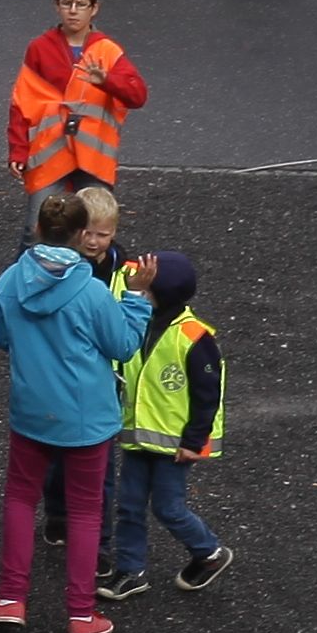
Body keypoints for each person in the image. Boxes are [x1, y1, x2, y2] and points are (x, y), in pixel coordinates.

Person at [0, 188, 151, 633]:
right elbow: (124, 346)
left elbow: (1, 336)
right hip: (88, 417)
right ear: (77, 234)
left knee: (20, 498)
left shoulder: (11, 278)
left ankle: (11, 598)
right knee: (86, 512)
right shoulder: (91, 291)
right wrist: (136, 300)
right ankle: (81, 612)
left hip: (31, 409)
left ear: (38, 229)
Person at [99, 246, 233, 601]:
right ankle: (130, 570)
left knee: (167, 507)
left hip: (174, 444)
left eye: (147, 284)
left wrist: (194, 440)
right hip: (139, 437)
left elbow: (208, 393)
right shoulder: (140, 319)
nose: (138, 286)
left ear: (161, 291)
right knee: (129, 505)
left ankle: (209, 552)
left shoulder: (194, 337)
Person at [7, 0, 146, 202]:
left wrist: (108, 82)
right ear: (57, 6)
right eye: (66, 3)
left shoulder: (107, 51)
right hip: (51, 158)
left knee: (93, 228)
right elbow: (22, 104)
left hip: (92, 162)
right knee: (39, 227)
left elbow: (138, 95)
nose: (73, 10)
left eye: (81, 4)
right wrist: (18, 150)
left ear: (94, 8)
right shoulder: (39, 49)